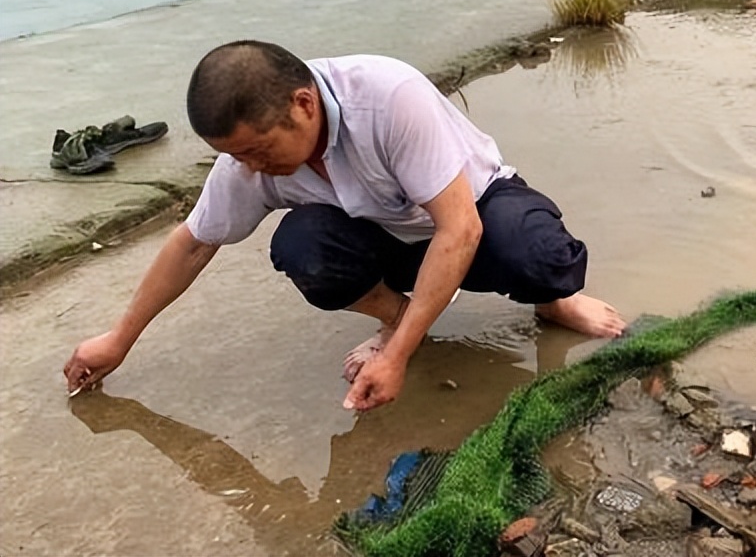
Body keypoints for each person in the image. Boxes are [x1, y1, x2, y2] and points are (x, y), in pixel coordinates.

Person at [64, 41, 625, 411]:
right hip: (383, 236)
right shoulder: (248, 160)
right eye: (238, 158)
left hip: (475, 212)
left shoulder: (388, 97)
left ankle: (552, 302)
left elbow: (460, 231)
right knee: (301, 245)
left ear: (304, 103)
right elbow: (192, 243)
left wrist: (396, 359)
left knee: (542, 256)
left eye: (259, 151)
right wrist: (118, 340)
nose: (252, 169)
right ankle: (401, 316)